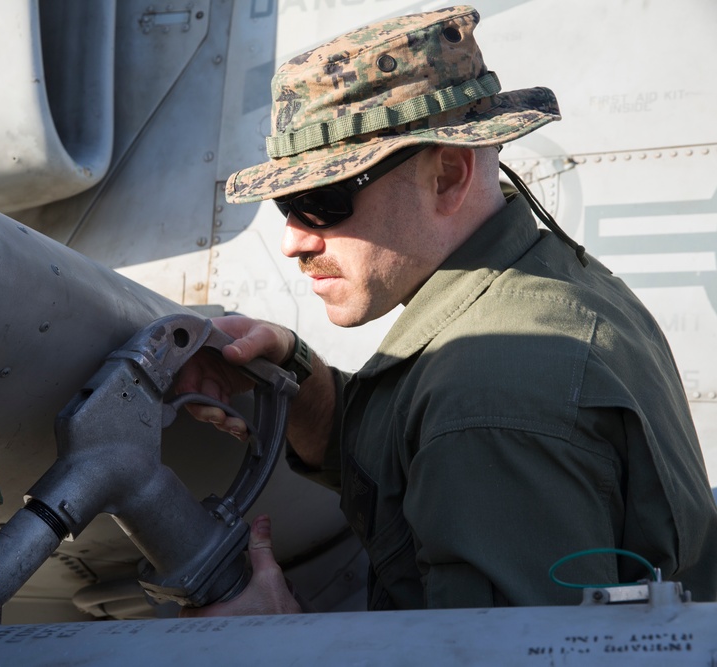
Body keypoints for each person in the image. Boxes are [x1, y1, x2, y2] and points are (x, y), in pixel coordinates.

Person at [176, 5, 717, 615]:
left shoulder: (489, 399)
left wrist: (276, 645)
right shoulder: (542, 278)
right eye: (286, 204)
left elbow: (502, 659)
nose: (294, 241)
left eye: (322, 200)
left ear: (448, 175)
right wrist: (294, 380)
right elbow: (403, 457)